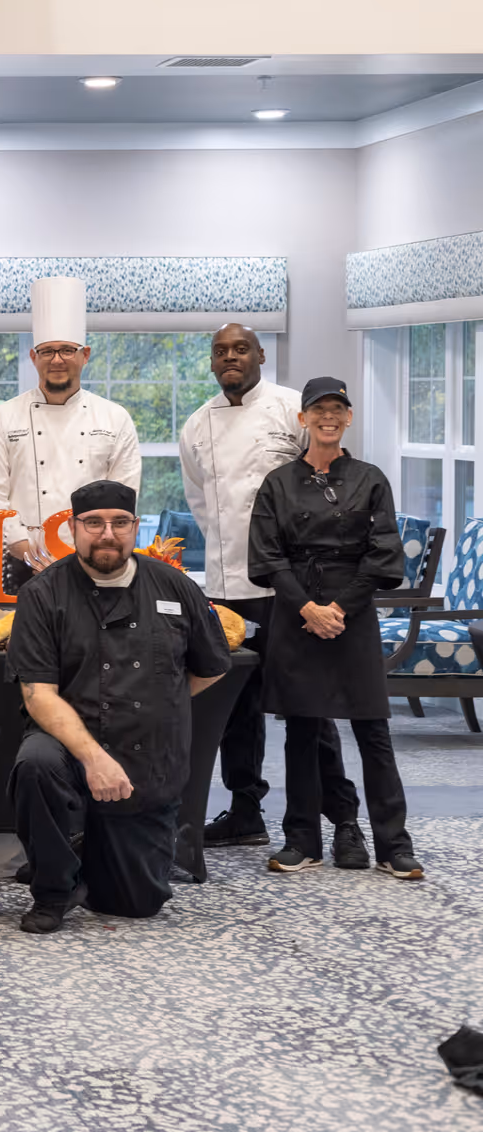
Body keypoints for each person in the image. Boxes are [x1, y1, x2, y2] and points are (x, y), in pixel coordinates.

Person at [7, 479, 231, 934]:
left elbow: (214, 665)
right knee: (35, 763)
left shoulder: (174, 585)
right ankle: (53, 887)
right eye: (93, 523)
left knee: (134, 904)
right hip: (70, 748)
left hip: (149, 760)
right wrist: (93, 758)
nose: (107, 533)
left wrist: (159, 701)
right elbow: (38, 694)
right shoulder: (42, 593)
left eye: (119, 522)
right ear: (72, 528)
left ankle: (86, 848)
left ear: (134, 526)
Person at [180, 326, 362, 861]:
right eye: (220, 351)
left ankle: (344, 818)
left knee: (308, 702)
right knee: (232, 705)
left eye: (241, 349)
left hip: (290, 584)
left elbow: (331, 483)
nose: (230, 357)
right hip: (224, 583)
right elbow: (201, 503)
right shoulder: (197, 425)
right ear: (212, 361)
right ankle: (244, 812)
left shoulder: (291, 409)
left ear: (261, 355)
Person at [249, 377, 424, 880]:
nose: (328, 416)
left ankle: (393, 844)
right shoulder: (278, 482)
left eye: (337, 409)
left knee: (373, 728)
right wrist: (307, 607)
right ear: (302, 419)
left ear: (349, 418)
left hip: (354, 606)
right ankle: (302, 839)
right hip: (295, 607)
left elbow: (384, 553)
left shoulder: (370, 478)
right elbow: (267, 555)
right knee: (301, 729)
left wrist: (338, 609)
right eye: (318, 409)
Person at [0, 275, 142, 594]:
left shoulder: (115, 418)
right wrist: (29, 553)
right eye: (47, 351)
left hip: (94, 561)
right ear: (33, 357)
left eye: (67, 350)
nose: (57, 360)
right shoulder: (2, 417)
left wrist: (83, 551)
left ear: (85, 354)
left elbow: (124, 496)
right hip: (19, 563)